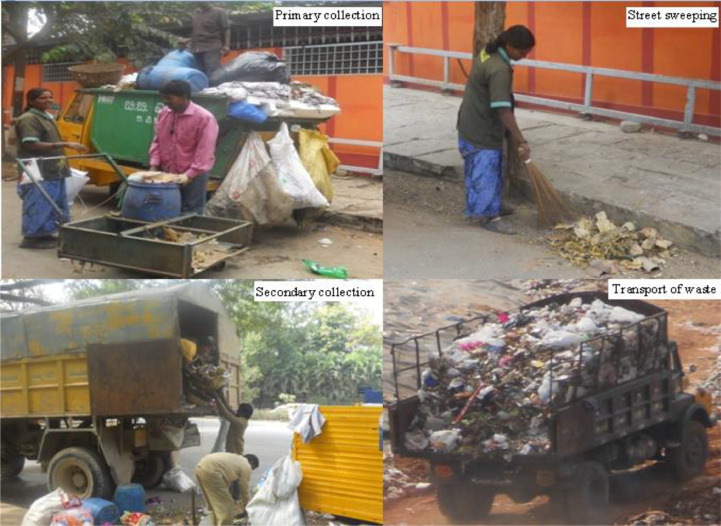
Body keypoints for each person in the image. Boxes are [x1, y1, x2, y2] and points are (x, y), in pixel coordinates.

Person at [456, 25, 536, 235]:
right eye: (521, 52)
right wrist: (521, 140)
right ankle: (489, 216)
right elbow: (503, 110)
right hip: (481, 128)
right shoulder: (499, 69)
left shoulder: (488, 52)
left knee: (490, 168)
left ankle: (493, 205)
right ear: (509, 46)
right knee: (486, 170)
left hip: (471, 120)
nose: (524, 56)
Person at [14, 88, 88, 248]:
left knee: (53, 201)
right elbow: (30, 143)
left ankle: (45, 233)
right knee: (38, 201)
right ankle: (31, 238)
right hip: (38, 169)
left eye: (50, 97)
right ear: (32, 101)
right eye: (43, 98)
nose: (48, 100)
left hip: (53, 167)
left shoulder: (46, 116)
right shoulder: (29, 119)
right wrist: (66, 144)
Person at [148, 80, 219, 215]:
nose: (165, 102)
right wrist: (154, 165)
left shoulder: (204, 118)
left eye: (169, 98)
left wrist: (189, 175)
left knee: (190, 213)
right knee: (168, 210)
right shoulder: (164, 114)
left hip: (195, 175)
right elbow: (157, 141)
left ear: (184, 97)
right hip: (169, 173)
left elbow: (205, 152)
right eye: (164, 98)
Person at [195, 452, 259, 526]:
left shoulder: (235, 460)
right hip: (212, 472)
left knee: (215, 506)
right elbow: (244, 487)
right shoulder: (246, 465)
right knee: (227, 507)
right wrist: (246, 503)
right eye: (252, 468)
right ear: (252, 462)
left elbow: (226, 481)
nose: (251, 471)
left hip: (200, 467)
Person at [180, 3, 230, 76]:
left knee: (213, 73)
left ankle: (215, 86)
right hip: (197, 48)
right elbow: (198, 32)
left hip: (212, 46)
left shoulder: (218, 12)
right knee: (200, 74)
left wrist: (226, 45)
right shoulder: (197, 14)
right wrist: (188, 40)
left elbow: (226, 29)